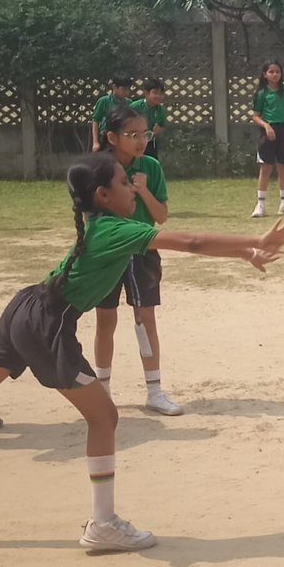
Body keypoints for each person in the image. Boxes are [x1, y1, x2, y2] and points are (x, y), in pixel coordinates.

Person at [0, 153, 284, 551]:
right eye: (124, 183)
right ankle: (103, 525)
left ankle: (104, 524)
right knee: (105, 417)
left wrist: (245, 254)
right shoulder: (114, 229)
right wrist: (255, 240)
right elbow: (190, 242)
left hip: (25, 307)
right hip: (44, 323)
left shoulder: (103, 225)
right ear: (102, 195)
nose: (133, 190)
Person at [92, 106, 181, 415]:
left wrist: (143, 191)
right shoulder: (99, 168)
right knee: (105, 320)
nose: (141, 141)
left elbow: (161, 216)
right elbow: (91, 215)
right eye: (132, 135)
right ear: (112, 137)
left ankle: (154, 391)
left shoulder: (151, 167)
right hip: (109, 254)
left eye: (144, 134)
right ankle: (102, 389)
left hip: (144, 251)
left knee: (145, 318)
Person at [250, 60, 284, 218]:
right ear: (265, 74)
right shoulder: (261, 93)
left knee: (283, 168)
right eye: (271, 72)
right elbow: (255, 116)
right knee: (266, 168)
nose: (274, 75)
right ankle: (260, 205)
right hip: (268, 132)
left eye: (277, 72)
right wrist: (266, 126)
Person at [89, 77, 135, 153]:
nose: (126, 92)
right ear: (114, 87)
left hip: (123, 137)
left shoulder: (129, 103)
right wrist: (95, 142)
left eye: (128, 89)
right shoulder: (104, 101)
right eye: (124, 89)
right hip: (105, 137)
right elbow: (95, 121)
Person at [130, 79, 169, 162]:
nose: (158, 96)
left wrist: (159, 129)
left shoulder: (161, 110)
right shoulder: (135, 106)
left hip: (151, 142)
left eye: (161, 94)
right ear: (146, 93)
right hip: (135, 141)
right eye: (155, 93)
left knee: (152, 163)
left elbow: (163, 126)